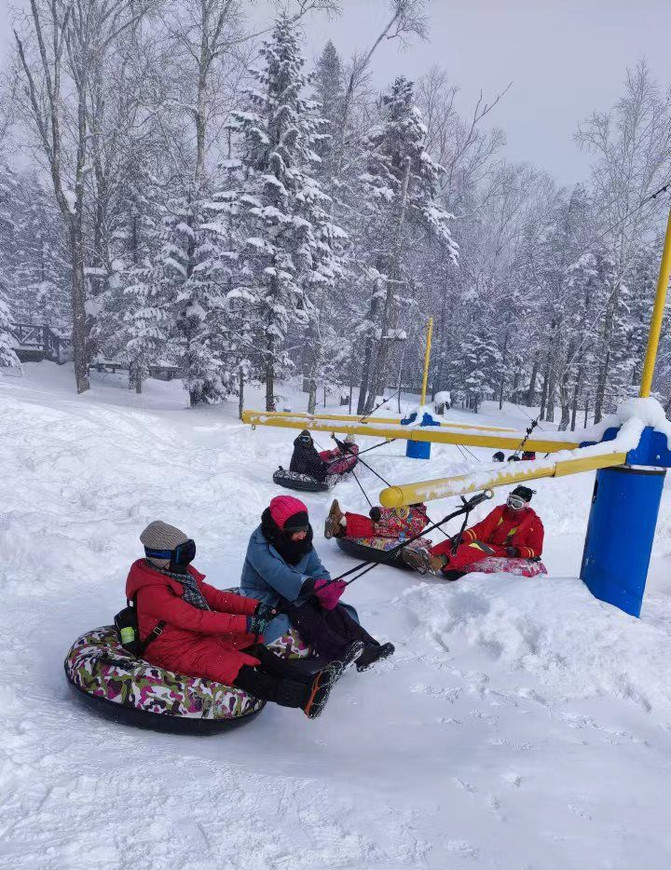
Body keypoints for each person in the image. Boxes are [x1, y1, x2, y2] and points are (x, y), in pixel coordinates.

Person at [126, 520, 358, 720]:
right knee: (233, 667)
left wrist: (256, 608)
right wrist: (246, 623)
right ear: (162, 558)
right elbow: (195, 619)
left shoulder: (180, 574)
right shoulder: (152, 591)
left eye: (190, 552)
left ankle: (310, 681)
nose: (188, 560)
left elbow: (214, 597)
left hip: (195, 638)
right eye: (183, 554)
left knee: (250, 645)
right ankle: (304, 698)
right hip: (172, 649)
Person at [241, 496, 394, 671]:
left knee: (331, 608)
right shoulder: (259, 545)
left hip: (299, 588)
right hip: (267, 594)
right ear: (281, 529)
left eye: (305, 529)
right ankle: (339, 652)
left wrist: (326, 586)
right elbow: (280, 576)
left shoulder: (302, 538)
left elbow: (314, 567)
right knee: (303, 609)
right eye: (297, 531)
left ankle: (367, 647)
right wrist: (314, 587)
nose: (302, 535)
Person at [402, 486, 544, 581]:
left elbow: (536, 550)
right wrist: (463, 537)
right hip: (490, 544)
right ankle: (426, 556)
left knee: (476, 546)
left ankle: (439, 561)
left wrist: (518, 551)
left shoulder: (534, 524)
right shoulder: (500, 511)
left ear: (526, 505)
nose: (511, 506)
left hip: (506, 550)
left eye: (517, 504)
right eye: (510, 501)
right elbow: (482, 529)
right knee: (457, 540)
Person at [324, 498, 430, 542]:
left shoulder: (417, 518)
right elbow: (392, 512)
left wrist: (380, 514)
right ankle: (339, 520)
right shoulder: (410, 508)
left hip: (387, 531)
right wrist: (380, 512)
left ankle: (338, 523)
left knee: (367, 527)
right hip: (384, 526)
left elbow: (397, 522)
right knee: (364, 520)